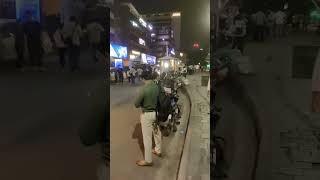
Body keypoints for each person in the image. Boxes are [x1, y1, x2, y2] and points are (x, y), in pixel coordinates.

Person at [134, 71, 161, 166]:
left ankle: (148, 160)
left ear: (143, 78)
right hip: (156, 114)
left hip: (147, 115)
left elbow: (136, 104)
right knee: (157, 132)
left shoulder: (144, 89)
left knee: (147, 138)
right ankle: (158, 150)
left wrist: (143, 102)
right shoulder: (156, 86)